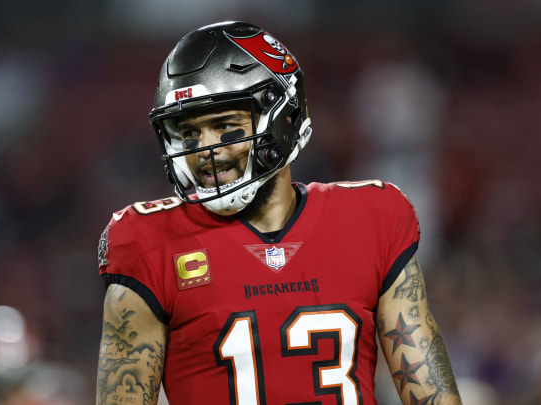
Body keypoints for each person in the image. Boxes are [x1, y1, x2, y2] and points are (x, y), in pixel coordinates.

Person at [96, 21, 461, 405]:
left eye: (225, 126)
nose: (206, 150)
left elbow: (431, 395)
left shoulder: (373, 219)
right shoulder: (146, 241)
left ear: (284, 118)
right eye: (189, 134)